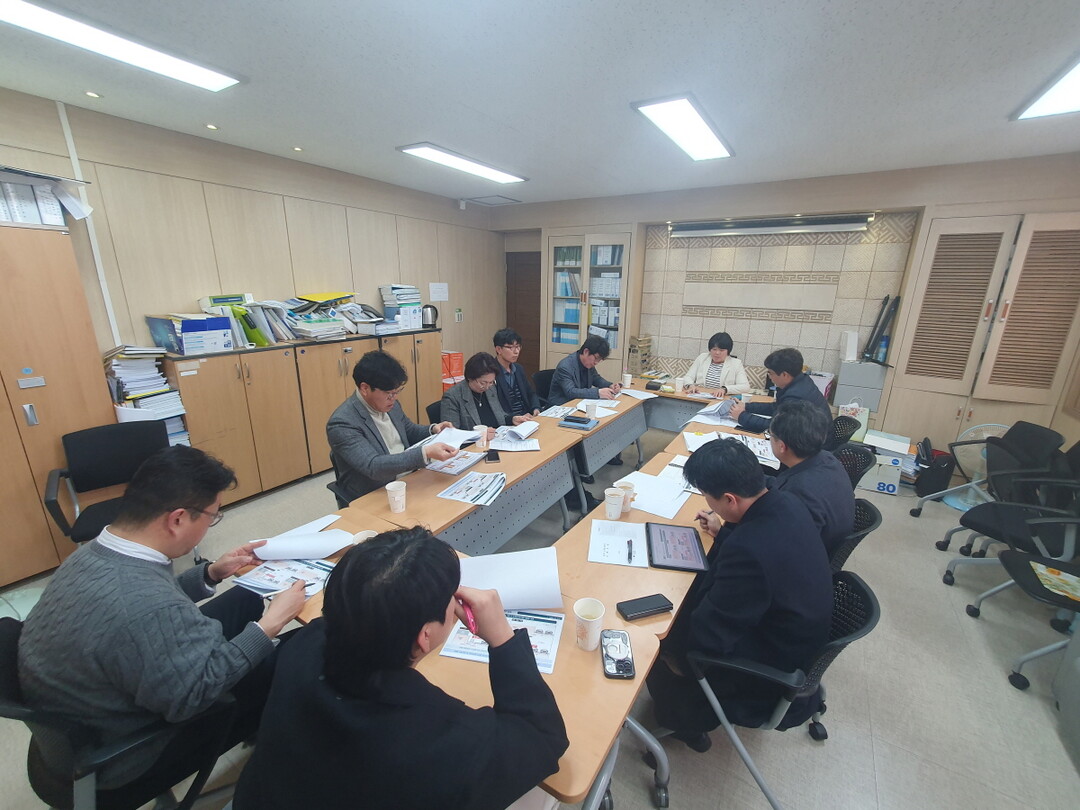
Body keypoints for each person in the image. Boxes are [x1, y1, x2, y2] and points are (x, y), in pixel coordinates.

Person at [17, 445, 307, 794]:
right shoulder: (148, 608)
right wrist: (268, 627)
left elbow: (145, 606)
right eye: (212, 517)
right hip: (128, 750)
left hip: (99, 705)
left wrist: (211, 573)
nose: (211, 526)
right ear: (178, 519)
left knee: (245, 596)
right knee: (301, 647)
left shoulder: (94, 553)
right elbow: (193, 695)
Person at [234, 527, 569, 810]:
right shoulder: (445, 740)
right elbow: (543, 738)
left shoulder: (304, 642)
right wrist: (503, 639)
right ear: (425, 636)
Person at [647, 439, 832, 752]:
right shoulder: (787, 501)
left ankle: (687, 725)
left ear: (730, 499)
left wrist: (669, 642)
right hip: (796, 636)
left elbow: (709, 637)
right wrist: (723, 532)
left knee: (655, 644)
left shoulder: (748, 552)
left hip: (767, 673)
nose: (708, 503)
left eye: (708, 496)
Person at [327, 350, 456, 501]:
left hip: (410, 478)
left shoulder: (390, 405)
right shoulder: (342, 423)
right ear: (365, 388)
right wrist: (425, 453)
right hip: (376, 492)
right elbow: (373, 466)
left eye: (397, 392)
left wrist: (433, 429)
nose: (394, 398)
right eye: (389, 393)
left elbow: (409, 430)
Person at [767, 399, 855, 558]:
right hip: (821, 541)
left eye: (770, 435)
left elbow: (777, 549)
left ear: (782, 446)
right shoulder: (827, 459)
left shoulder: (797, 494)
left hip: (801, 561)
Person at [729, 347, 831, 433]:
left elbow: (776, 427)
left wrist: (741, 416)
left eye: (770, 373)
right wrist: (746, 406)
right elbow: (777, 407)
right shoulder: (801, 380)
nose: (769, 377)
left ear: (784, 375)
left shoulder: (796, 396)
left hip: (813, 445)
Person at [441, 352, 536, 438]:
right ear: (470, 377)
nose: (487, 387)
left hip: (496, 440)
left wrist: (512, 419)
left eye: (491, 382)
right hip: (473, 447)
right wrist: (480, 434)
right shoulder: (453, 397)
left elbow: (499, 415)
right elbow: (451, 435)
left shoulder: (490, 388)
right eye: (483, 383)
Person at [549, 335, 620, 405]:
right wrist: (597, 393)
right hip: (561, 406)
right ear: (586, 352)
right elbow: (570, 392)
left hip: (579, 403)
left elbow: (596, 378)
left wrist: (610, 385)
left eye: (600, 360)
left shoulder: (588, 363)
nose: (596, 362)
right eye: (596, 358)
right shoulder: (565, 367)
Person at [493, 328, 541, 418]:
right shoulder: (491, 372)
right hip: (508, 420)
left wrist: (536, 408)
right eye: (510, 347)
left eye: (518, 346)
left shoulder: (518, 368)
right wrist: (514, 418)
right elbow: (494, 407)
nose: (516, 352)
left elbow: (530, 393)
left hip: (527, 417)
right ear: (499, 349)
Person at [685, 332, 751, 396]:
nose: (717, 353)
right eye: (714, 349)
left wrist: (725, 389)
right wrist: (690, 385)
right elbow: (688, 377)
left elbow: (745, 387)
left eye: (721, 350)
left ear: (728, 351)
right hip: (699, 395)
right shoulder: (702, 358)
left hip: (721, 399)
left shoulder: (736, 364)